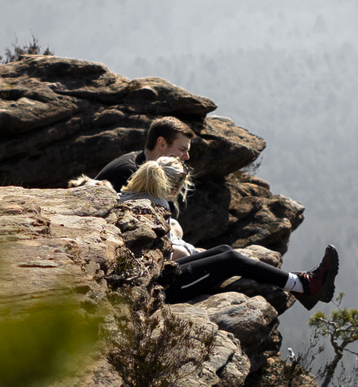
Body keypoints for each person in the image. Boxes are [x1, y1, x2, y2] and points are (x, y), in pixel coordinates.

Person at [118, 158, 338, 308]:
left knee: (223, 250)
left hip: (148, 280)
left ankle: (301, 289)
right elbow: (167, 254)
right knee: (230, 259)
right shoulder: (158, 206)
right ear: (173, 188)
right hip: (161, 290)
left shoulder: (128, 196)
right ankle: (304, 285)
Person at [94, 116, 194, 192]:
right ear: (162, 143)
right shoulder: (129, 172)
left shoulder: (145, 166)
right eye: (182, 149)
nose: (187, 157)